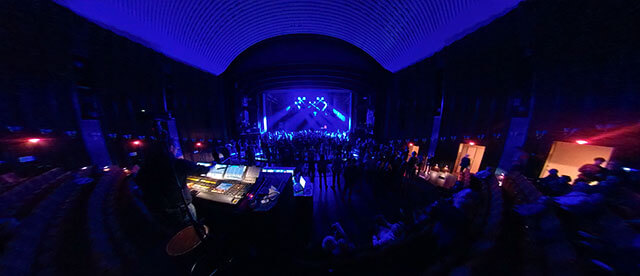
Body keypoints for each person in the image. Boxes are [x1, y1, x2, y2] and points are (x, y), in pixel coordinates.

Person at [136, 136, 210, 235]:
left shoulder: (146, 167)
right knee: (189, 235)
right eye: (176, 148)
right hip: (180, 211)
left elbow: (139, 182)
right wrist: (213, 165)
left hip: (158, 212)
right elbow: (202, 170)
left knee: (173, 236)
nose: (176, 151)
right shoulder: (177, 163)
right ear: (171, 148)